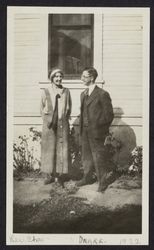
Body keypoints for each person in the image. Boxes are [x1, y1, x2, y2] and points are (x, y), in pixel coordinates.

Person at [77, 67, 114, 192]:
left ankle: (102, 182)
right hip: (85, 131)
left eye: (84, 76)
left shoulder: (102, 94)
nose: (81, 78)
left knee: (99, 156)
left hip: (97, 132)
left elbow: (109, 115)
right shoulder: (83, 94)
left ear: (92, 78)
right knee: (86, 156)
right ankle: (87, 178)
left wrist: (100, 128)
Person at [40, 69, 72, 184]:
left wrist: (63, 119)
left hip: (62, 124)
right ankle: (49, 175)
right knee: (49, 149)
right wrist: (48, 120)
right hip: (49, 125)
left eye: (60, 76)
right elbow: (41, 109)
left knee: (61, 150)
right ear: (52, 78)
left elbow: (69, 108)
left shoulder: (66, 91)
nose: (58, 79)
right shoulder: (46, 91)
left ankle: (59, 177)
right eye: (56, 76)